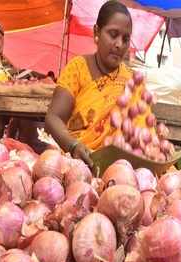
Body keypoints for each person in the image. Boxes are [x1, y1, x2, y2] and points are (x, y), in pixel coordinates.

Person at [44, 0, 133, 168]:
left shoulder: (132, 81)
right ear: (96, 32)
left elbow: (141, 130)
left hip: (118, 169)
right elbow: (53, 118)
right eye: (113, 34)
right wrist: (73, 145)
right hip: (76, 163)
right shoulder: (78, 69)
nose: (119, 44)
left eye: (126, 39)